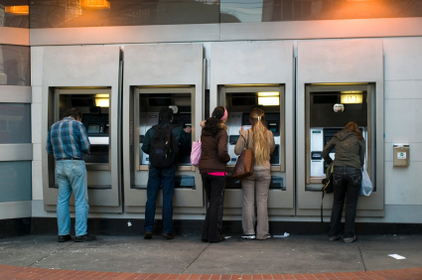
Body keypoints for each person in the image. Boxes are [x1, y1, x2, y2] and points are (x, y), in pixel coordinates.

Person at [46, 108, 96, 242]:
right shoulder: (77, 125)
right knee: (80, 200)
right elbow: (86, 146)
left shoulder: (53, 126)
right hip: (75, 164)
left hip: (60, 165)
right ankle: (80, 234)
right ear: (78, 117)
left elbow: (49, 149)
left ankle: (63, 234)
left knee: (62, 200)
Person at [142, 107, 191, 240]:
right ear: (171, 118)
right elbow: (187, 146)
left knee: (151, 198)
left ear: (159, 117)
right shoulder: (177, 130)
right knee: (167, 198)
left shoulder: (151, 130)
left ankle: (148, 229)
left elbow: (144, 147)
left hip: (154, 167)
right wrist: (186, 134)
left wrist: (156, 156)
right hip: (169, 167)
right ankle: (167, 230)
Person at [234, 108, 275, 240]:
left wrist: (241, 135)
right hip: (264, 170)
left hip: (249, 171)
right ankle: (262, 233)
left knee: (248, 201)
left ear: (250, 120)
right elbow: (272, 149)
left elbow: (237, 151)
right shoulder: (269, 134)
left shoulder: (246, 133)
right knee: (262, 202)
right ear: (263, 120)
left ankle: (249, 232)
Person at [322, 121, 365, 243]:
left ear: (345, 129)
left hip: (338, 172)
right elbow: (362, 157)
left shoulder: (337, 136)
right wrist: (357, 165)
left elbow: (324, 153)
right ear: (356, 129)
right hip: (354, 172)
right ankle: (348, 236)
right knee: (351, 205)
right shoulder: (359, 137)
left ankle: (333, 234)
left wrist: (331, 163)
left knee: (337, 203)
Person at [198, 106, 230, 243]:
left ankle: (206, 235)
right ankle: (214, 236)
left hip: (204, 170)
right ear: (224, 117)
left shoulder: (204, 130)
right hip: (217, 171)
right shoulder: (222, 131)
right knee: (216, 204)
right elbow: (222, 152)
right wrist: (227, 158)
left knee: (212, 203)